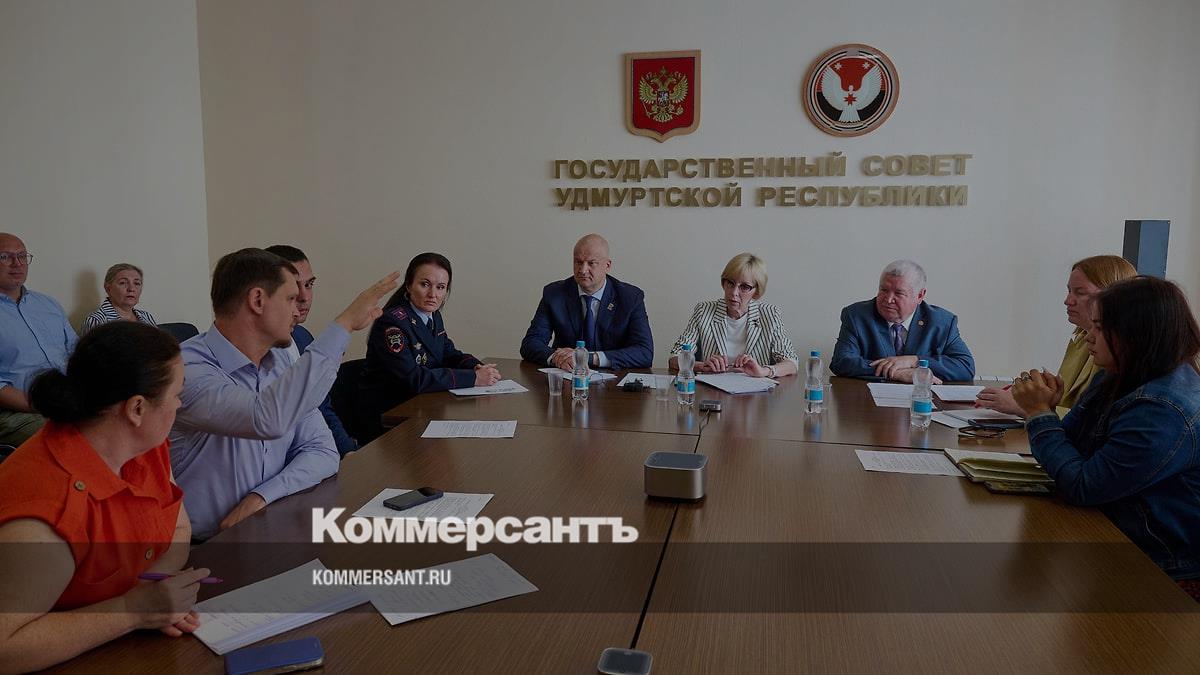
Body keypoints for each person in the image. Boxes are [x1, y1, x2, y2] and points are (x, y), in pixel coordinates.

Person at [0, 322, 211, 671]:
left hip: (114, 648)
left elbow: (179, 529)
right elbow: (5, 648)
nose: (180, 404)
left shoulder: (145, 445)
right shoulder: (47, 514)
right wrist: (133, 611)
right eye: (177, 394)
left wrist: (155, 599)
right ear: (137, 409)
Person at [169, 248, 398, 539]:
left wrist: (262, 496)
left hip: (267, 523)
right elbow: (264, 419)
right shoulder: (186, 368)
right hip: (202, 547)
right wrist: (343, 325)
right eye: (290, 298)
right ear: (257, 300)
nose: (298, 309)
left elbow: (322, 450)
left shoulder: (280, 360)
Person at [1012, 276, 1200, 598]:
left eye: (1099, 327)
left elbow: (1082, 485)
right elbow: (1070, 448)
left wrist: (1039, 414)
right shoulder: (1114, 377)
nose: (1088, 335)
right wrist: (1048, 409)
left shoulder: (1163, 409)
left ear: (1136, 333)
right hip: (1113, 539)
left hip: (1164, 569)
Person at [359, 253, 500, 442]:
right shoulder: (392, 323)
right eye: (425, 284)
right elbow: (414, 379)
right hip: (390, 415)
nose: (433, 294)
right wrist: (473, 378)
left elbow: (447, 352)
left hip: (423, 406)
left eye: (440, 287)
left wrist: (476, 366)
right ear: (409, 285)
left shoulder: (432, 315)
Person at [976, 255, 1136, 416]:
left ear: (1112, 297)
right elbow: (1067, 404)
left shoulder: (1118, 353)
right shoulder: (1082, 338)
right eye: (1069, 291)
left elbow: (1091, 420)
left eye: (1080, 293)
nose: (1068, 300)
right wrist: (1042, 394)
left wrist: (1027, 408)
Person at [264, 244, 358, 456]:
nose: (304, 297)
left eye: (309, 284)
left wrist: (348, 452)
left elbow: (321, 408)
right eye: (294, 287)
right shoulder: (258, 348)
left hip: (319, 454)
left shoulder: (302, 337)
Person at [520, 233, 653, 371]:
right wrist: (556, 357)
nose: (583, 270)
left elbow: (644, 352)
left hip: (614, 379)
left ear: (607, 266)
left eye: (591, 263)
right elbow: (530, 344)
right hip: (567, 375)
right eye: (578, 262)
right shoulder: (554, 293)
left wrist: (587, 358)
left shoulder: (630, 297)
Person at [830, 259, 974, 383]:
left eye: (899, 293)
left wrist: (914, 361)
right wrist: (895, 373)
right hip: (869, 401)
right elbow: (841, 362)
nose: (888, 299)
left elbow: (965, 367)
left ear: (920, 295)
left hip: (923, 399)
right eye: (884, 290)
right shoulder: (856, 315)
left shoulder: (942, 322)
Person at [0, 232, 78, 449]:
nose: (17, 263)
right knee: (72, 440)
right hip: (16, 412)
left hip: (65, 398)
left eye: (22, 256)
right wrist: (45, 404)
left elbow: (77, 352)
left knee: (128, 421)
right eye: (5, 257)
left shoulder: (48, 304)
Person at [669, 253, 798, 377]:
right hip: (712, 389)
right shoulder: (704, 311)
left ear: (756, 291)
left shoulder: (770, 315)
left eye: (745, 287)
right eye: (730, 283)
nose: (734, 292)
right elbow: (674, 357)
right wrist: (701, 366)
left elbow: (791, 363)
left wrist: (764, 371)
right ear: (723, 283)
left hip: (755, 389)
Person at [81, 263, 157, 332]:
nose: (131, 289)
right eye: (123, 283)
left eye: (137, 283)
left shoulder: (146, 316)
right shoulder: (97, 320)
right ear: (108, 288)